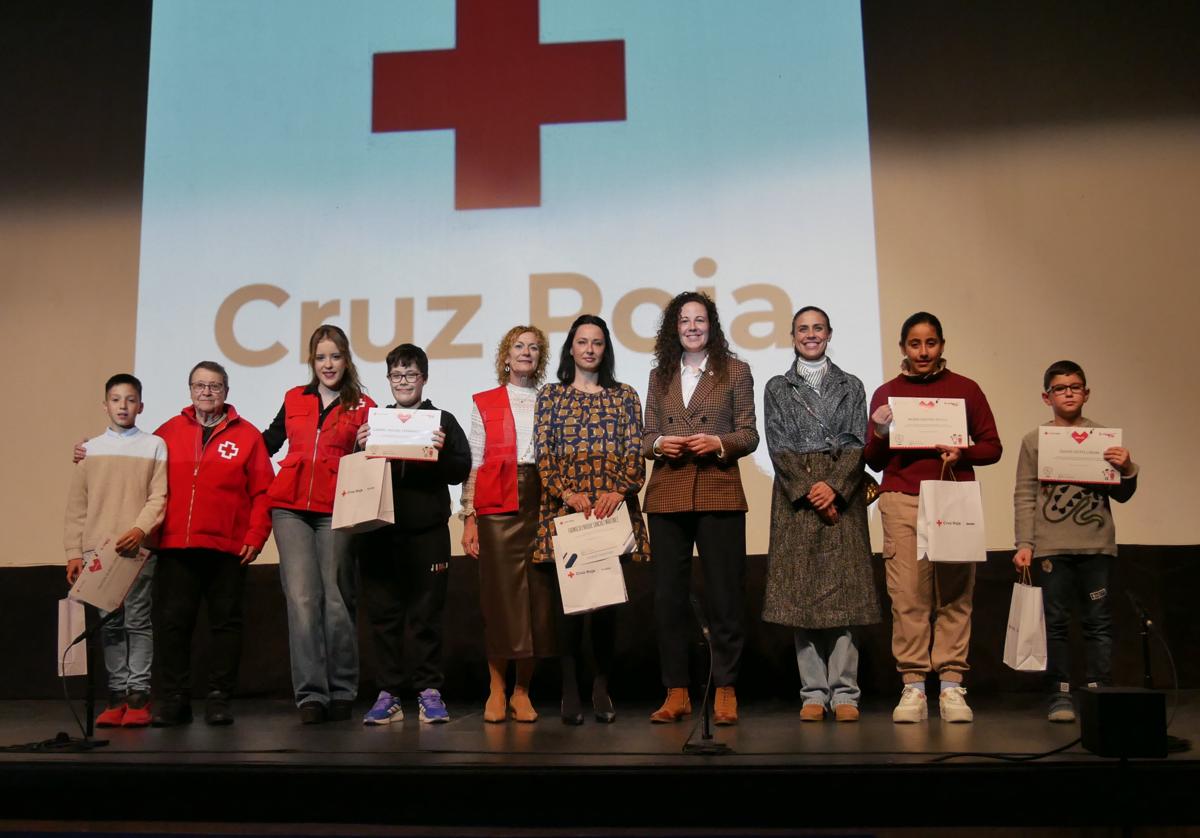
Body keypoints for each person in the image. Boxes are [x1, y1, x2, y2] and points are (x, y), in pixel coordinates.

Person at [865, 312, 1002, 724]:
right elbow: (873, 461)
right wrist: (878, 431)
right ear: (903, 347)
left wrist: (964, 452)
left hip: (953, 496)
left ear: (942, 345)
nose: (923, 352)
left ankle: (951, 685)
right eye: (914, 344)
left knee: (955, 594)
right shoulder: (887, 393)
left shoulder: (966, 389)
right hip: (903, 499)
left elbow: (993, 447)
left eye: (930, 343)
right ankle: (912, 686)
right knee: (907, 596)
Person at [642, 291, 759, 726]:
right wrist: (657, 444)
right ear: (674, 328)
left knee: (726, 594)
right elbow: (646, 433)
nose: (692, 327)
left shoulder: (736, 371)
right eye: (684, 320)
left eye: (700, 320)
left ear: (712, 325)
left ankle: (725, 687)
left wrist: (719, 443)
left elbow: (749, 433)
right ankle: (677, 690)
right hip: (668, 490)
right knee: (668, 598)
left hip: (718, 487)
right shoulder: (660, 375)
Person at [761, 307, 880, 723]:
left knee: (846, 599)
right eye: (802, 329)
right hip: (797, 501)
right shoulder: (778, 387)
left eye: (817, 329)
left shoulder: (851, 385)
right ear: (792, 336)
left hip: (842, 498)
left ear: (829, 334)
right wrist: (811, 489)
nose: (810, 335)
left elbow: (857, 442)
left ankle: (846, 692)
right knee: (801, 597)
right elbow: (777, 444)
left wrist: (835, 486)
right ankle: (812, 692)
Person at [534, 315, 650, 725]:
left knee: (604, 606)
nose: (589, 349)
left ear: (606, 349)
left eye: (597, 342)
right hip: (567, 511)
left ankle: (601, 686)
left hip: (611, 511)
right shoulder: (551, 396)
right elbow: (544, 454)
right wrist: (567, 493)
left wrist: (618, 491)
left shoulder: (625, 396)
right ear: (570, 348)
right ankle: (570, 689)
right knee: (570, 608)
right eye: (582, 342)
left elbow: (636, 451)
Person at [1012, 360, 1138, 722]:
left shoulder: (1103, 439)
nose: (1068, 393)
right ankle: (1061, 692)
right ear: (1046, 397)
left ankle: (1101, 690)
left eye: (1075, 387)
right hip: (1052, 546)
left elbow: (1124, 494)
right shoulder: (1035, 441)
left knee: (1098, 621)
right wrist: (1025, 542)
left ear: (1086, 393)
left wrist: (1127, 468)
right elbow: (1024, 494)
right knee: (1056, 622)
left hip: (1096, 544)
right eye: (1060, 388)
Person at [263, 325, 375, 724]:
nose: (328, 364)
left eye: (335, 356)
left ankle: (342, 689)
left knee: (336, 600)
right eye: (321, 357)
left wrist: (370, 441)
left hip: (336, 509)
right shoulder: (295, 398)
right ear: (312, 361)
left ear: (347, 360)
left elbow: (377, 459)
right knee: (302, 601)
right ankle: (311, 695)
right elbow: (267, 441)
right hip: (289, 508)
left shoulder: (364, 404)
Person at [354, 344, 471, 725]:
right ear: (388, 380)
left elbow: (460, 470)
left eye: (411, 375)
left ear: (424, 378)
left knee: (426, 616)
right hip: (380, 533)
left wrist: (440, 452)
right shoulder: (375, 422)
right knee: (384, 617)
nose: (403, 382)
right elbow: (351, 472)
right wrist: (359, 446)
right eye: (396, 375)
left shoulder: (442, 421)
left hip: (427, 533)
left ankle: (428, 691)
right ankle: (388, 692)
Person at [460, 325, 555, 723]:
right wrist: (469, 517)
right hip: (498, 500)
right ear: (505, 355)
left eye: (534, 347)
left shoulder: (552, 400)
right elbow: (475, 461)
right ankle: (496, 688)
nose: (526, 352)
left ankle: (522, 690)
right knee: (499, 600)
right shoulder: (486, 401)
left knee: (537, 599)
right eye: (519, 346)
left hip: (541, 497)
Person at [64, 374, 168, 728]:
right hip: (98, 550)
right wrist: (75, 552)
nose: (123, 406)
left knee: (138, 621)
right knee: (110, 625)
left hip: (136, 548)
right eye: (115, 399)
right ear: (105, 405)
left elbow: (159, 496)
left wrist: (140, 529)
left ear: (141, 405)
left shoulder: (154, 445)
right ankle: (117, 695)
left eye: (130, 399)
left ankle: (138, 694)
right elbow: (78, 506)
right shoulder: (89, 449)